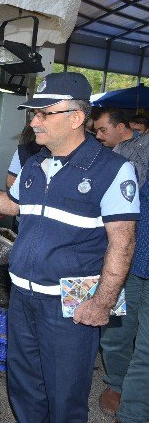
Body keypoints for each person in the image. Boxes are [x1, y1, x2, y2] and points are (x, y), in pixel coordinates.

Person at [0, 72, 139, 423]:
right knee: (24, 387)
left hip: (70, 302)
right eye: (33, 113)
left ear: (76, 118)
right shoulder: (35, 163)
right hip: (22, 295)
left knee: (65, 392)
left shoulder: (113, 170)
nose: (34, 121)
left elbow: (123, 243)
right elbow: (12, 205)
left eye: (43, 113)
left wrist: (103, 303)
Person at [93, 107, 149, 423]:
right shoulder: (132, 154)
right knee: (115, 332)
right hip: (126, 261)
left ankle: (132, 413)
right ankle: (115, 383)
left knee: (146, 349)